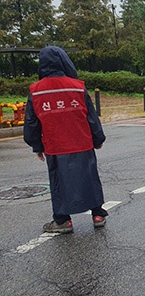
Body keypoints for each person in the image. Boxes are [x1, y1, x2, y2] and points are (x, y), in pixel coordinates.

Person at [24, 46, 108, 234]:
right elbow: (91, 116)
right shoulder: (77, 87)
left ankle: (62, 221)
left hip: (55, 146)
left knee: (59, 182)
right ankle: (98, 214)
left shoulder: (36, 91)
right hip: (82, 143)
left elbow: (32, 122)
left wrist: (37, 145)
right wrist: (98, 138)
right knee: (89, 177)